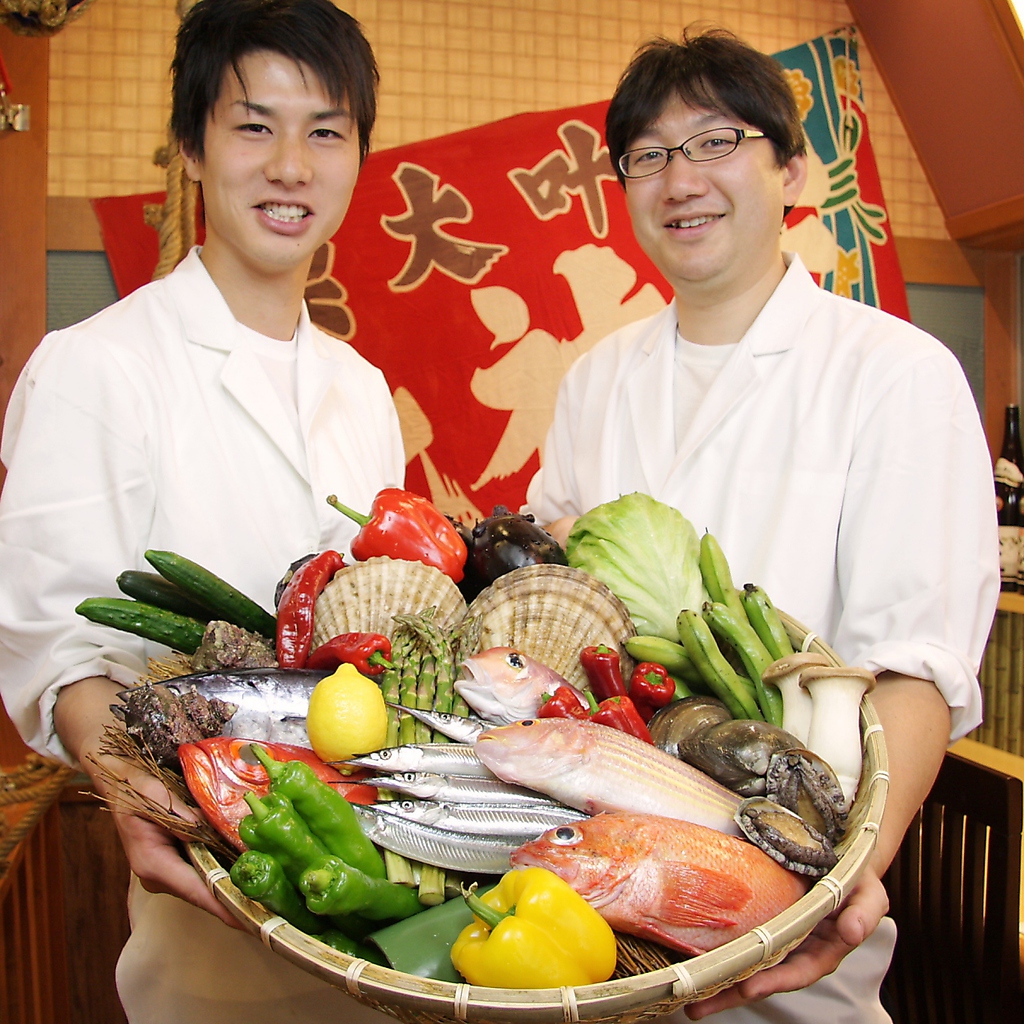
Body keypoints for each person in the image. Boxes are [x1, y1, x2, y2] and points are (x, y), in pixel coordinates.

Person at [524, 28, 999, 1024]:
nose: (680, 179)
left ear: (791, 170)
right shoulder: (595, 380)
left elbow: (918, 664)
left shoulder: (896, 375)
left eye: (715, 142)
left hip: (787, 935)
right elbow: (551, 603)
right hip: (585, 918)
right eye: (648, 155)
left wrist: (836, 883)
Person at [0, 1, 413, 1020]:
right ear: (190, 146)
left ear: (358, 156)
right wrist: (136, 792)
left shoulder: (363, 389)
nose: (291, 166)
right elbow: (57, 649)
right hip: (210, 914)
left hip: (388, 913)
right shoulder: (95, 368)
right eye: (254, 126)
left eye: (325, 132)